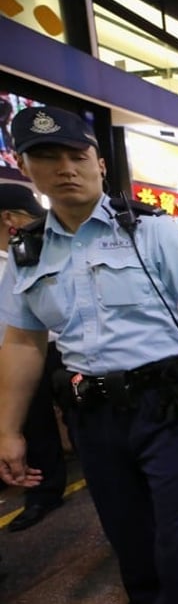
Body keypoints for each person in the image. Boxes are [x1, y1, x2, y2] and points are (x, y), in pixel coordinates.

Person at [0, 106, 178, 604]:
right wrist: (7, 430)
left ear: (100, 163)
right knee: (125, 531)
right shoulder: (27, 252)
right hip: (91, 413)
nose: (65, 169)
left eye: (76, 156)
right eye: (47, 158)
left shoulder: (150, 230)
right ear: (26, 168)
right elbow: (24, 343)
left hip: (165, 405)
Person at [0, 183, 68, 531]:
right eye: (30, 217)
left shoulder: (43, 250)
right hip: (15, 355)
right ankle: (44, 492)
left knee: (82, 414)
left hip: (60, 350)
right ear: (9, 218)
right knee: (35, 424)